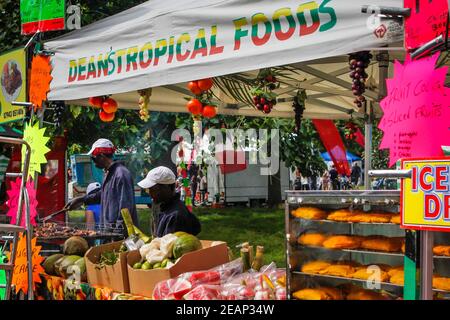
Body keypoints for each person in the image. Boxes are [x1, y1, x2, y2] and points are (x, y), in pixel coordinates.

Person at [65, 139, 139, 233]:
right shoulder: (109, 174)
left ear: (102, 156)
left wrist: (117, 233)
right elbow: (103, 195)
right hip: (110, 232)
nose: (94, 162)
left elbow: (125, 208)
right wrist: (82, 199)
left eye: (94, 158)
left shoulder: (121, 174)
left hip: (120, 235)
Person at [138, 166, 201, 237]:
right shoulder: (164, 207)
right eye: (148, 190)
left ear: (167, 188)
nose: (150, 193)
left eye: (153, 189)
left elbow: (167, 245)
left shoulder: (175, 216)